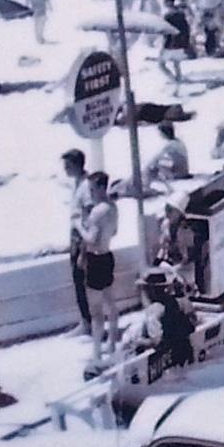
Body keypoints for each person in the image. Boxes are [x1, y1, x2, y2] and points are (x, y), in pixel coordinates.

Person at [123, 269, 197, 380]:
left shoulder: (154, 311)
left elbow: (158, 342)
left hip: (167, 361)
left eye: (144, 289)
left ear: (150, 290)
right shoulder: (183, 302)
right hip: (186, 353)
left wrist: (138, 342)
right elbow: (193, 323)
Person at [80, 172, 119, 364]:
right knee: (110, 303)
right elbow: (114, 231)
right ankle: (111, 343)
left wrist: (79, 228)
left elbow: (91, 240)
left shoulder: (97, 212)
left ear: (102, 188)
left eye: (93, 189)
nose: (91, 193)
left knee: (95, 311)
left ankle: (96, 353)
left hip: (95, 260)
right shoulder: (113, 207)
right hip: (107, 256)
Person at [59, 150, 95, 333]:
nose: (65, 170)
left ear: (76, 165)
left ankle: (88, 323)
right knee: (78, 281)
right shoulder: (77, 184)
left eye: (67, 166)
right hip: (75, 236)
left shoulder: (86, 187)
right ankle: (85, 320)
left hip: (81, 239)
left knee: (83, 282)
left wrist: (83, 248)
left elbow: (88, 216)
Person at [159, 0, 191, 84]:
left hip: (170, 44)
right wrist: (186, 44)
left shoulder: (167, 16)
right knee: (176, 65)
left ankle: (174, 81)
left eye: (165, 1)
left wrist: (163, 46)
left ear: (169, 2)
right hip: (180, 43)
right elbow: (186, 29)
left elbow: (166, 32)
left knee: (161, 65)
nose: (164, 3)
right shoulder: (181, 13)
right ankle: (178, 82)